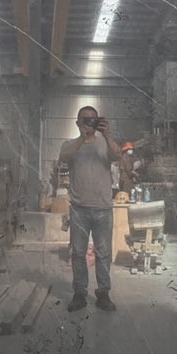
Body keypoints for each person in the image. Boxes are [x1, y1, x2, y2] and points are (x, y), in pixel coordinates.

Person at [59, 106, 121, 313]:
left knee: (104, 254)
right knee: (78, 253)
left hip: (103, 208)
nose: (89, 122)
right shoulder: (70, 144)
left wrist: (107, 134)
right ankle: (79, 293)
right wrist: (82, 137)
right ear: (78, 122)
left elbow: (117, 155)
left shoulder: (105, 143)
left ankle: (103, 294)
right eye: (85, 119)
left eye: (93, 119)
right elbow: (64, 157)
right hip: (79, 209)